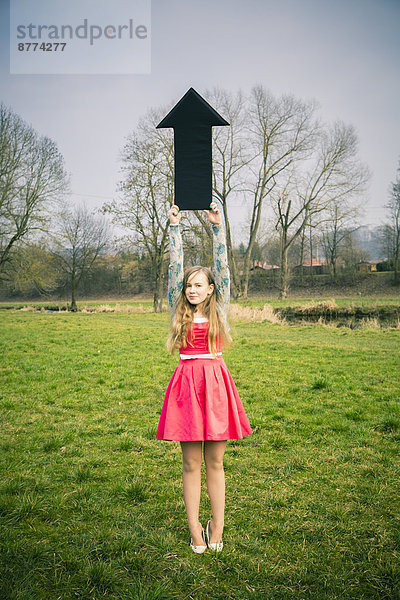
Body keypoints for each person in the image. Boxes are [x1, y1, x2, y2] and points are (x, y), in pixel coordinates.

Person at [156, 200, 252, 554]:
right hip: (186, 389)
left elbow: (223, 265)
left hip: (215, 387)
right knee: (190, 462)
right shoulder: (176, 307)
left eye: (199, 285)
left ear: (211, 289)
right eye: (189, 286)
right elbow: (174, 267)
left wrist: (217, 228)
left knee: (215, 461)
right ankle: (195, 527)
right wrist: (175, 227)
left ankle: (218, 526)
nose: (192, 290)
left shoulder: (220, 308)